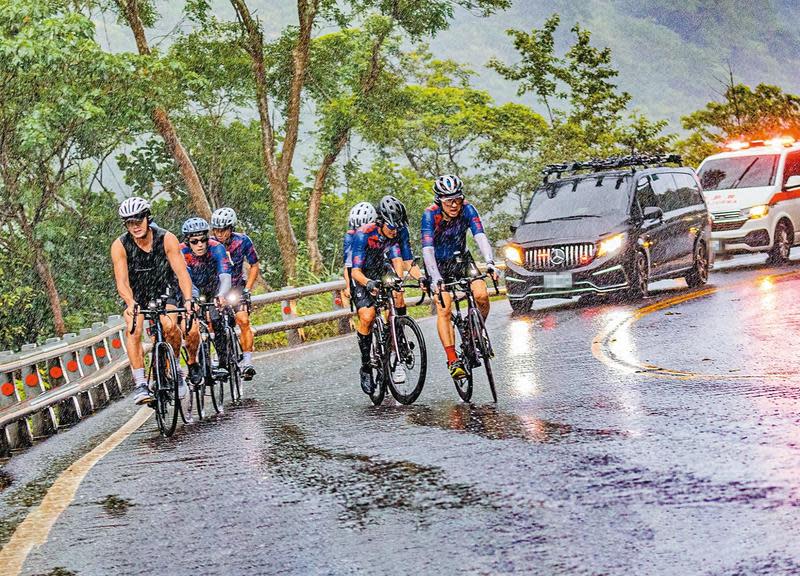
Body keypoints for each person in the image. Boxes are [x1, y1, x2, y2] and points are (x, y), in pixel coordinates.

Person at [110, 197, 195, 405]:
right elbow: (121, 281)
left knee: (169, 327)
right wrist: (130, 303)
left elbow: (182, 273)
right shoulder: (120, 245)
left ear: (148, 218)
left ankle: (175, 366)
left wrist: (188, 300)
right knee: (133, 327)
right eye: (130, 222)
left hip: (166, 289)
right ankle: (140, 383)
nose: (135, 226)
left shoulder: (166, 238)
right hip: (138, 294)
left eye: (139, 220)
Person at [421, 175, 499, 380]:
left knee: (481, 295)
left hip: (461, 259)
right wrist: (435, 278)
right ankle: (452, 359)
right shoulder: (430, 215)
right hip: (437, 263)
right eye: (449, 201)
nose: (454, 205)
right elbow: (427, 249)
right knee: (444, 306)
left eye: (457, 199)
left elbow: (480, 236)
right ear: (439, 200)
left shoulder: (468, 209)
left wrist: (490, 262)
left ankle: (474, 334)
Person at [349, 212, 406, 395]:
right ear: (381, 223)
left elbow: (397, 259)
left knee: (398, 296)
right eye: (391, 226)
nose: (394, 230)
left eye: (397, 226)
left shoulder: (394, 232)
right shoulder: (363, 234)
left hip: (381, 268)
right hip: (363, 275)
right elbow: (354, 271)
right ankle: (366, 366)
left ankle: (397, 341)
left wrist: (398, 280)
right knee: (368, 316)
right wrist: (368, 283)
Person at [180, 217, 233, 388]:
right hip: (192, 289)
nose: (200, 244)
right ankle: (195, 363)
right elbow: (184, 278)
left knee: (217, 319)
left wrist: (221, 295)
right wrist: (191, 298)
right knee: (190, 325)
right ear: (187, 241)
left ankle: (224, 364)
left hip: (214, 288)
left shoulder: (216, 248)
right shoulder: (181, 252)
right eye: (194, 241)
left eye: (203, 239)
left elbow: (225, 275)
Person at [211, 207, 259, 381]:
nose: (220, 234)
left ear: (231, 228)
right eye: (216, 230)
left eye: (223, 230)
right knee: (212, 323)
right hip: (216, 288)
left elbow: (254, 265)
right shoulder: (209, 244)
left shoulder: (243, 241)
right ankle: (220, 357)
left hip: (237, 286)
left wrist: (248, 289)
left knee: (243, 320)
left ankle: (247, 362)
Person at [342, 202, 377, 307]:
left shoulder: (378, 231)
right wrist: (348, 287)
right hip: (359, 269)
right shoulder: (350, 236)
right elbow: (348, 265)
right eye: (357, 229)